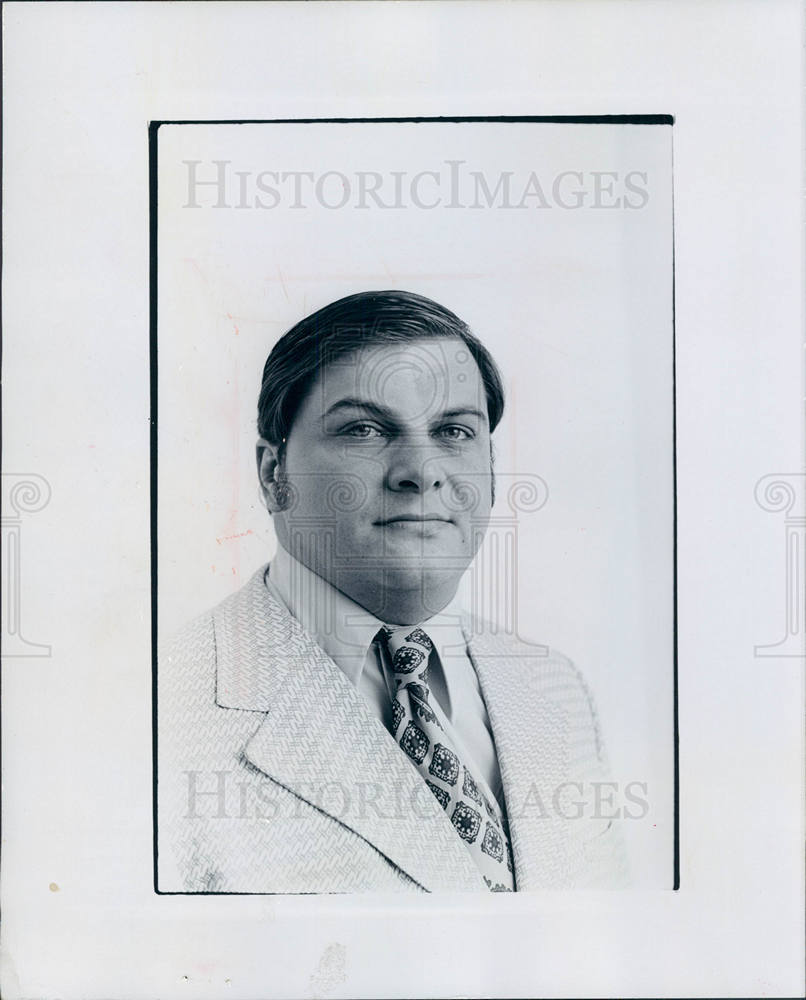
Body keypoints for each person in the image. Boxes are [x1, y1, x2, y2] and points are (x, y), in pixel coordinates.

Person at [157, 290, 626, 893]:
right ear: (274, 474)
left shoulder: (554, 690)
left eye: (454, 430)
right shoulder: (157, 712)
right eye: (363, 429)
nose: (421, 470)